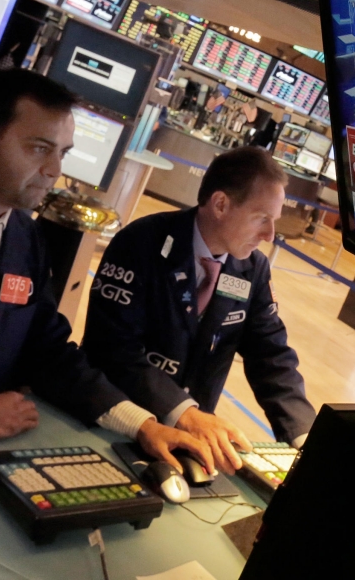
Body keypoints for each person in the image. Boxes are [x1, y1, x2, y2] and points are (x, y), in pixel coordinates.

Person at [0, 70, 209, 514]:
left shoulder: (24, 238)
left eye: (62, 152)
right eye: (39, 148)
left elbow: (46, 350)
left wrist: (140, 422)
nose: (54, 170)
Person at [82, 147, 316, 476]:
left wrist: (306, 437)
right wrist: (183, 412)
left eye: (274, 221)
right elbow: (113, 350)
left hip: (190, 444)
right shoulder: (140, 243)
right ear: (220, 204)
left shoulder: (252, 269)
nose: (269, 235)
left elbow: (271, 356)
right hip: (115, 422)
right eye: (261, 218)